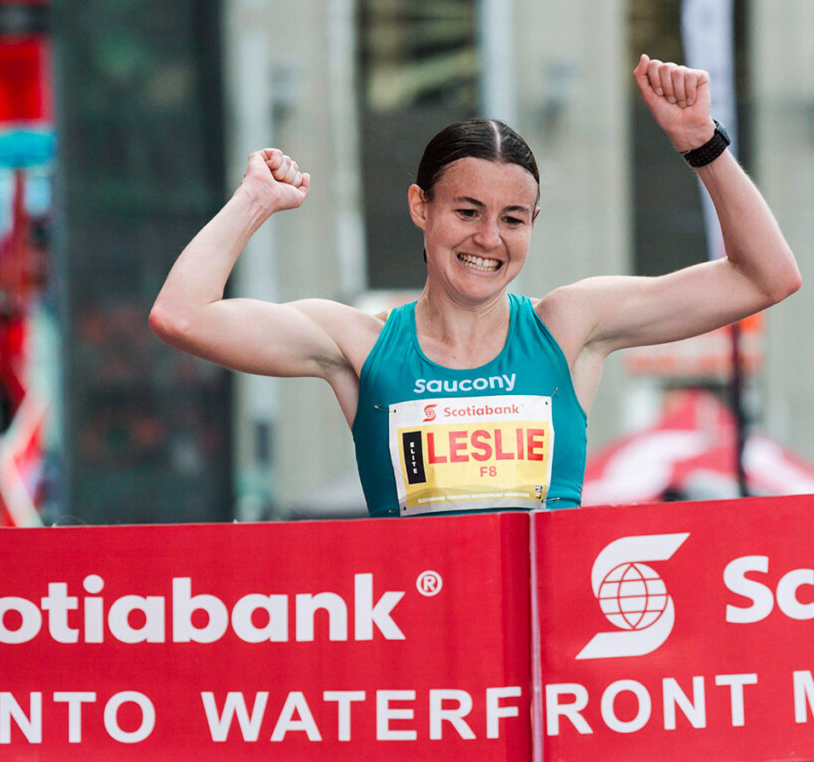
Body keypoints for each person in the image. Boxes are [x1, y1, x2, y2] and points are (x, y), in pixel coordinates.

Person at [149, 56, 801, 517]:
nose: (489, 238)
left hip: (548, 664)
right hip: (429, 674)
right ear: (419, 207)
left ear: (532, 225)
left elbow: (765, 277)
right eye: (467, 212)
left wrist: (702, 144)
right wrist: (255, 201)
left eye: (512, 219)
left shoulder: (569, 325)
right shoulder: (358, 343)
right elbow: (182, 316)